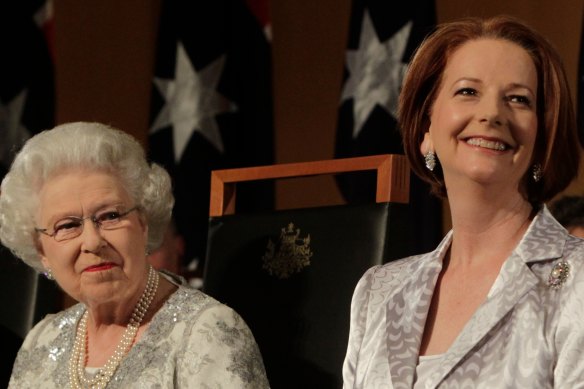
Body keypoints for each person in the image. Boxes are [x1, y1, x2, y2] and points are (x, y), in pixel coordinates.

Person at [343, 16, 583, 388]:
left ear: (543, 137)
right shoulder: (378, 291)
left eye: (518, 99)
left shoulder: (577, 281)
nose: (491, 114)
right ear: (427, 130)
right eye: (468, 91)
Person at [0, 122, 269, 388]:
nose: (93, 241)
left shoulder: (206, 333)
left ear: (143, 222)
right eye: (67, 226)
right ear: (41, 250)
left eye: (110, 216)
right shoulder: (41, 341)